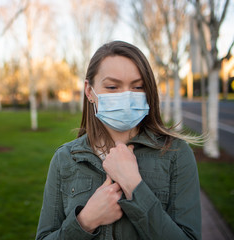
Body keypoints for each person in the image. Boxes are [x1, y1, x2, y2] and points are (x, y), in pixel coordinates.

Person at [35, 41, 201, 240]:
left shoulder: (175, 153)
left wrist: (133, 186)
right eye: (112, 86)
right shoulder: (65, 159)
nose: (126, 96)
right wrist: (86, 221)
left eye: (138, 87)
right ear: (89, 91)